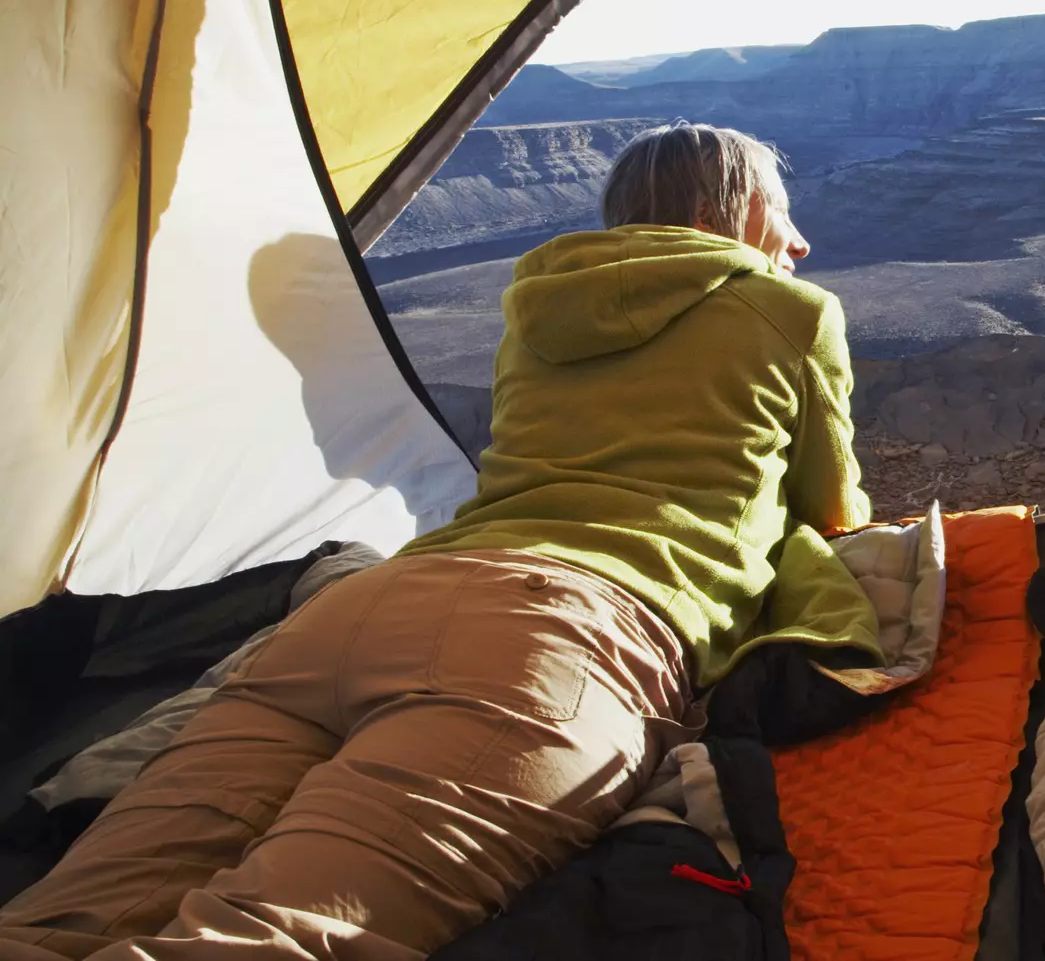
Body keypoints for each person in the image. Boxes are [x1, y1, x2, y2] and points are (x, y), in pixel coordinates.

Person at [0, 122, 872, 960]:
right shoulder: (788, 309)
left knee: (54, 921)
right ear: (739, 212)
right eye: (780, 213)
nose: (796, 242)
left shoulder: (534, 310)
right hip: (556, 638)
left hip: (353, 620)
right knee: (272, 939)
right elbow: (834, 507)